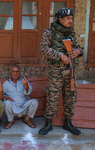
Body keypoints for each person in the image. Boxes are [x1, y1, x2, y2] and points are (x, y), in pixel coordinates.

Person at [39, 7, 83, 135]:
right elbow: (44, 48)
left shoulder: (71, 32)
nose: (71, 21)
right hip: (56, 72)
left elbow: (79, 47)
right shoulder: (50, 32)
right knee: (52, 96)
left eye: (71, 18)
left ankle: (68, 122)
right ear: (60, 19)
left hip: (70, 71)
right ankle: (48, 123)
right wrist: (60, 56)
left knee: (70, 97)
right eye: (68, 18)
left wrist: (78, 51)